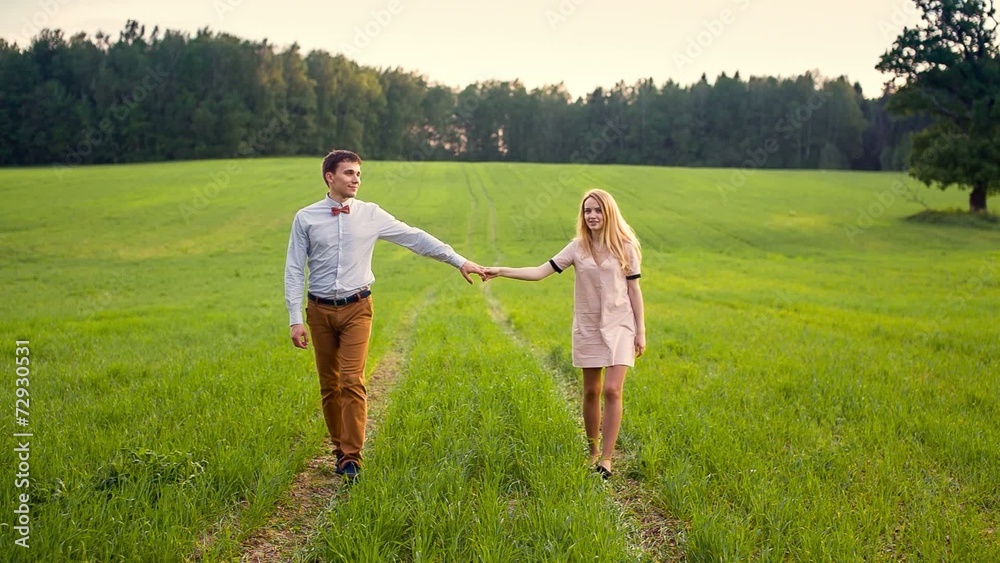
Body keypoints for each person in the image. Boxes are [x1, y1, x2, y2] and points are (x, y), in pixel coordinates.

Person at [285, 149, 485, 481]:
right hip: (318, 311)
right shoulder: (305, 218)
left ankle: (352, 458)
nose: (356, 180)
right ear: (330, 177)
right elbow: (294, 269)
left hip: (357, 308)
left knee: (352, 380)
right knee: (329, 385)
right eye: (349, 173)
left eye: (358, 174)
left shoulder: (371, 214)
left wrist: (458, 260)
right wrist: (295, 319)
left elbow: (415, 238)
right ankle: (339, 449)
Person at [484, 189, 645, 479]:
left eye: (598, 210)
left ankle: (607, 459)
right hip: (588, 326)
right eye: (587, 210)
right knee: (591, 391)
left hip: (621, 324)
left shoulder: (625, 247)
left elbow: (634, 290)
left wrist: (640, 331)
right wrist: (501, 271)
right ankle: (593, 451)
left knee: (612, 390)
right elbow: (539, 272)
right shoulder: (577, 247)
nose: (592, 215)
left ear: (609, 213)